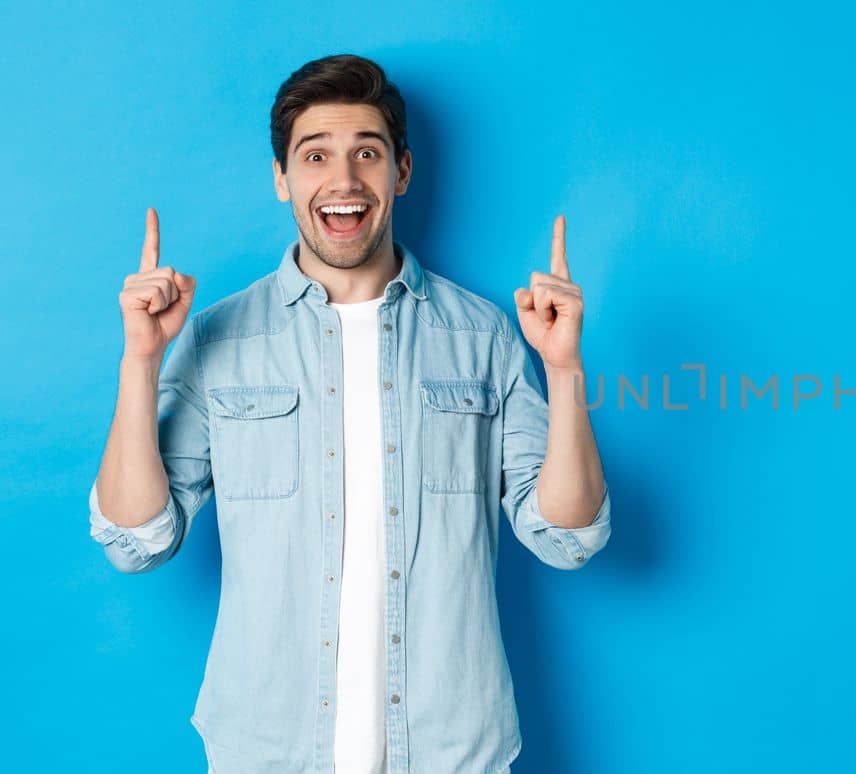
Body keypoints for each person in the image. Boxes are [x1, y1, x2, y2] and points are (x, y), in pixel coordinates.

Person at [87, 53, 612, 773]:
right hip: (267, 752)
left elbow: (567, 536)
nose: (343, 180)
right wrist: (140, 362)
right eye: (315, 156)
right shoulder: (216, 339)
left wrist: (563, 368)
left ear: (401, 172)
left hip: (451, 751)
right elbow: (134, 539)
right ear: (282, 179)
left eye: (367, 153)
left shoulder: (484, 336)